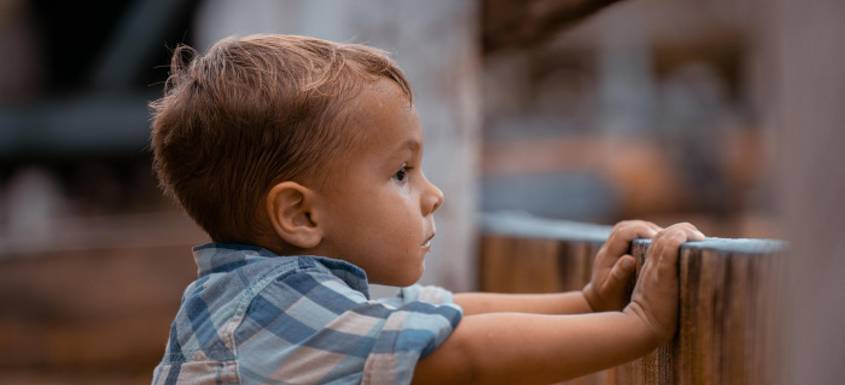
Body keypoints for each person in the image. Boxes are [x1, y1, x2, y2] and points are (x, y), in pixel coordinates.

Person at [148, 34, 705, 385]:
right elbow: (463, 356)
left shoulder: (284, 292)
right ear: (301, 216)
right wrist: (639, 327)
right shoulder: (271, 309)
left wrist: (588, 304)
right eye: (400, 174)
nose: (433, 195)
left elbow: (450, 314)